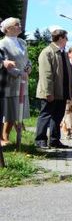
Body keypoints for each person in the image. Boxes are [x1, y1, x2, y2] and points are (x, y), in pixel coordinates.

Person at [34, 29, 72, 149]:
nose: (67, 41)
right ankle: (40, 139)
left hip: (62, 92)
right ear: (61, 38)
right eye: (66, 38)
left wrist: (70, 91)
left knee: (57, 117)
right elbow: (46, 74)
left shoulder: (63, 53)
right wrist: (48, 92)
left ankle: (54, 140)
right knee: (45, 115)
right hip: (51, 92)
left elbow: (68, 73)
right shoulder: (47, 52)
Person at [0, 17, 32, 146]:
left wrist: (29, 67)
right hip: (9, 82)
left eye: (19, 24)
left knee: (16, 111)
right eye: (16, 24)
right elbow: (6, 63)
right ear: (8, 29)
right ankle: (4, 136)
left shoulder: (22, 42)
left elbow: (27, 59)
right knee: (8, 110)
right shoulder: (2, 44)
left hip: (22, 81)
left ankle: (7, 136)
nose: (20, 26)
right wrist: (19, 73)